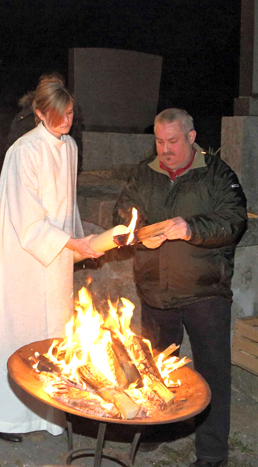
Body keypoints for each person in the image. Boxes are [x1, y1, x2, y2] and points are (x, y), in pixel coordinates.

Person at [0, 79, 102, 442]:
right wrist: (68, 241)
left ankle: (49, 414)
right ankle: (5, 415)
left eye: (71, 113)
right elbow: (27, 219)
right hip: (23, 257)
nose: (65, 121)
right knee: (17, 331)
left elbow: (67, 203)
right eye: (57, 115)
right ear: (40, 113)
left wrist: (76, 244)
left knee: (52, 332)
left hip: (55, 254)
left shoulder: (70, 146)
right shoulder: (23, 151)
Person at [113, 108, 247, 467]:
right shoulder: (144, 173)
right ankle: (158, 431)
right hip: (156, 290)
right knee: (154, 369)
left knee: (212, 371)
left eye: (173, 141)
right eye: (159, 141)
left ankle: (212, 452)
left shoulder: (217, 174)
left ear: (191, 137)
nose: (165, 149)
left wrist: (190, 227)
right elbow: (122, 216)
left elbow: (233, 220)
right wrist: (138, 234)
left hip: (205, 292)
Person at [6, 71, 65, 146]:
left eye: (54, 89)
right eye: (44, 89)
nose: (49, 94)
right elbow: (13, 150)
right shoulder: (24, 119)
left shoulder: (70, 117)